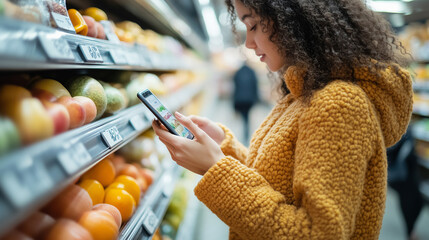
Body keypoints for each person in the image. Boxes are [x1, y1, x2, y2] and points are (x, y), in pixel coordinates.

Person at [152, 0, 413, 239]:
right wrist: (223, 149)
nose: (249, 43)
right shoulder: (302, 94)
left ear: (293, 19)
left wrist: (216, 169)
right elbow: (282, 183)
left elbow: (318, 234)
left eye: (253, 25)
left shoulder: (339, 104)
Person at [387, 127, 424, 240]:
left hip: (410, 171)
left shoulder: (406, 127)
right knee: (408, 202)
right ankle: (410, 231)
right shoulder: (392, 131)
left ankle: (410, 229)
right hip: (401, 174)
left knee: (418, 202)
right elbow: (391, 150)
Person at [232, 62, 259, 144]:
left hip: (240, 99)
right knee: (246, 117)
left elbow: (235, 88)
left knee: (243, 116)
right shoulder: (252, 72)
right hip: (249, 100)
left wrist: (234, 103)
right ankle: (246, 134)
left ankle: (243, 134)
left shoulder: (237, 72)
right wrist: (256, 99)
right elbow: (255, 86)